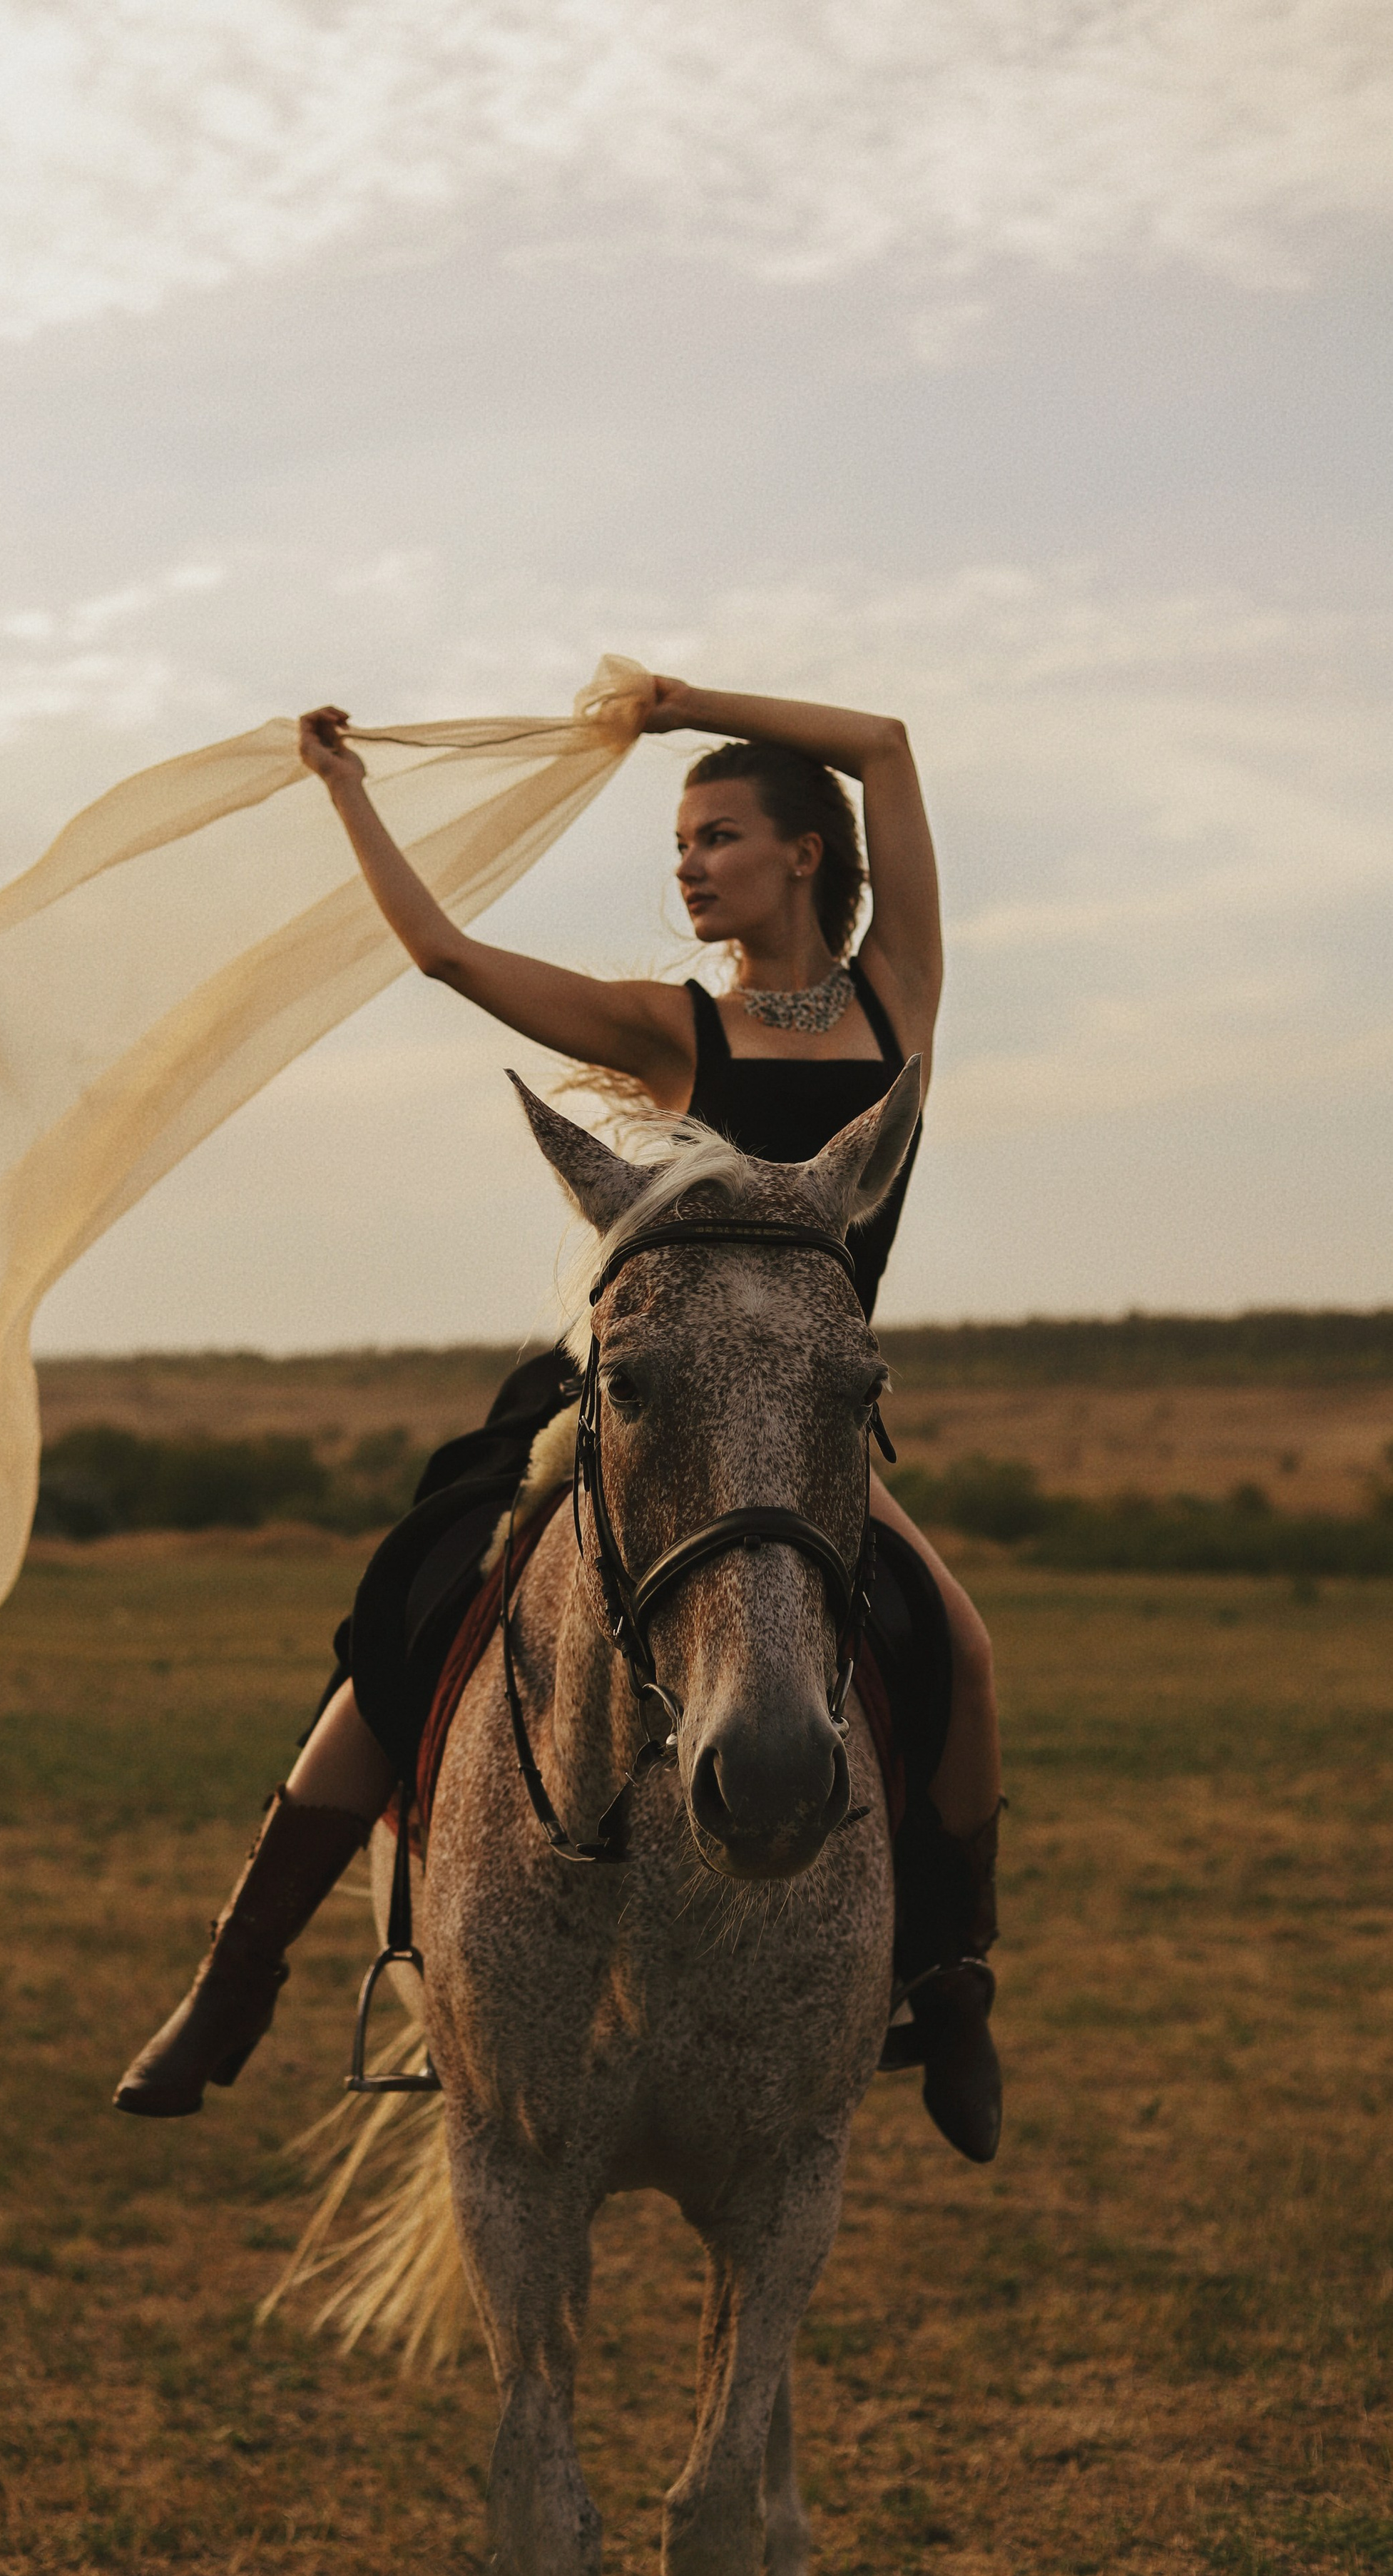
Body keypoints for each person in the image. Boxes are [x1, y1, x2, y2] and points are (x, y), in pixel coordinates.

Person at [114, 676, 1005, 2159]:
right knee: (420, 1610)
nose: (688, 866)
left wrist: (677, 704)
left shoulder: (894, 996)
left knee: (958, 1652)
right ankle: (235, 1974)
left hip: (799, 1421)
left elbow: (886, 746)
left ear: (804, 853)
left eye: (717, 836)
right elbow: (445, 954)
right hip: (637, 1401)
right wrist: (345, 789)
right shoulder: (674, 1029)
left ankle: (952, 1983)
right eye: (679, 844)